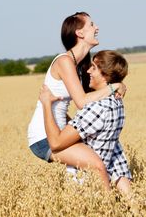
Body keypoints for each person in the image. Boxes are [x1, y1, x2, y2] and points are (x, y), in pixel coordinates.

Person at [28, 12, 126, 190]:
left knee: (110, 158)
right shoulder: (64, 62)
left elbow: (95, 99)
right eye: (91, 25)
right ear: (79, 33)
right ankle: (111, 212)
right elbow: (82, 102)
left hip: (64, 133)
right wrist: (114, 87)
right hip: (44, 137)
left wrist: (117, 85)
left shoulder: (81, 65)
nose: (96, 28)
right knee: (97, 166)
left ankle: (126, 204)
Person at [39, 50, 132, 195]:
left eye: (94, 67)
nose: (88, 70)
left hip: (84, 185)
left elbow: (56, 142)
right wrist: (132, 203)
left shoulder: (97, 108)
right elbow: (116, 155)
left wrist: (46, 104)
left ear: (105, 76)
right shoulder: (117, 103)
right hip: (100, 181)